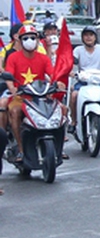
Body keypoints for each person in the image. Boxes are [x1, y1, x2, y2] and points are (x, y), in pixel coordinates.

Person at [3, 25, 64, 164]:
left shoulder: (43, 58)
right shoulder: (13, 57)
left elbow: (52, 75)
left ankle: (59, 149)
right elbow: (9, 77)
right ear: (20, 40)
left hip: (40, 97)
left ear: (37, 40)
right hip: (21, 97)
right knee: (14, 111)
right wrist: (14, 91)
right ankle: (20, 149)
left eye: (33, 38)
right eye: (26, 38)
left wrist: (58, 84)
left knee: (62, 110)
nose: (29, 40)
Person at [68, 26, 100, 136]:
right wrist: (70, 72)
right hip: (83, 81)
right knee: (74, 95)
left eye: (91, 35)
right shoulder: (78, 50)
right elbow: (71, 64)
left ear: (95, 37)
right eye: (86, 35)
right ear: (82, 37)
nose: (88, 37)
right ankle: (74, 122)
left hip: (99, 82)